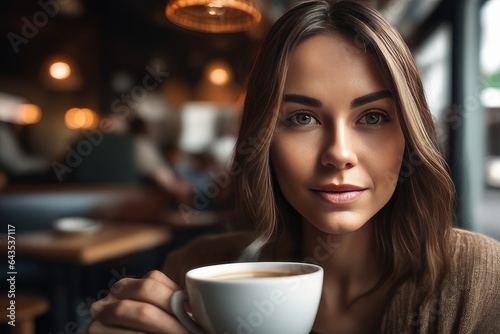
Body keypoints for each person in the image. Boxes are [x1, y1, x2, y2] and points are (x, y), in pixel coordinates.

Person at [87, 1, 500, 333]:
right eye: (302, 118)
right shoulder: (194, 273)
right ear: (262, 139)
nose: (339, 154)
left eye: (373, 117)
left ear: (410, 134)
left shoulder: (481, 280)